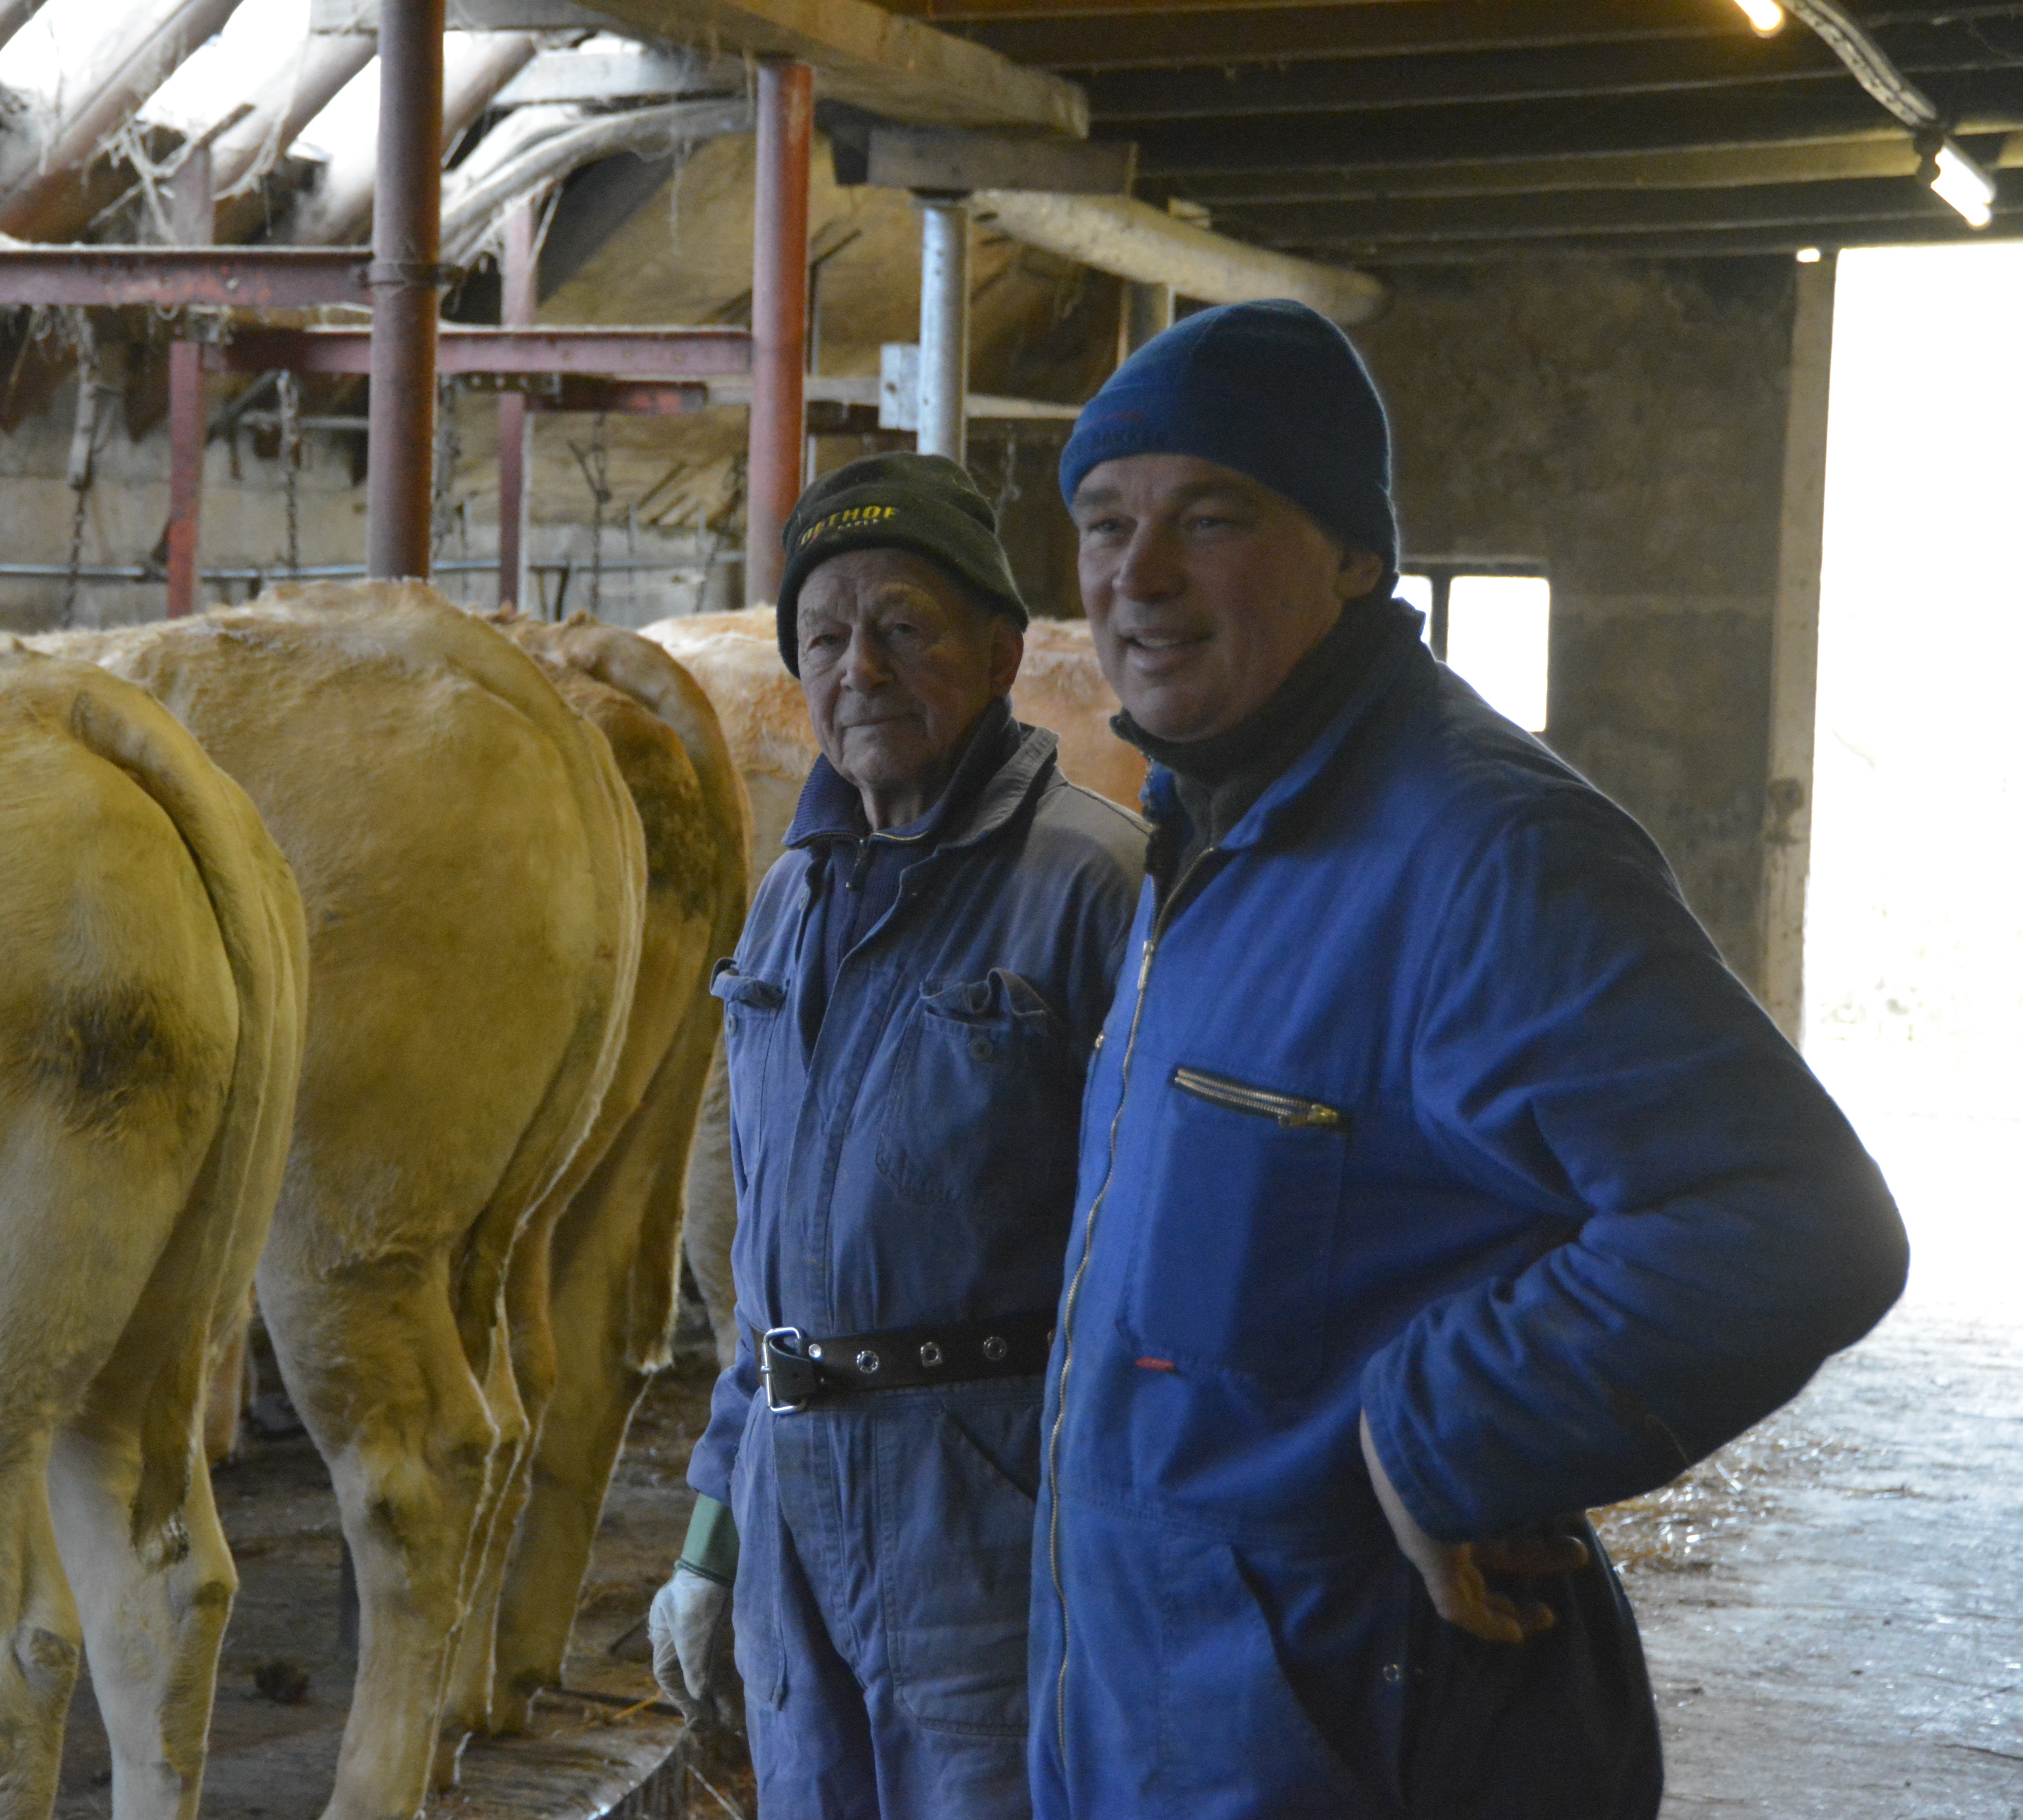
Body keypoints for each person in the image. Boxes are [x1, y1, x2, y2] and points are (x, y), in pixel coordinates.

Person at [1031, 298, 1910, 1818]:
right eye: (1105, 524)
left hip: (1368, 1739)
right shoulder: (1207, 840)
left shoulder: (1483, 853)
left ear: (1355, 553)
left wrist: (1447, 1430)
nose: (1139, 578)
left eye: (1212, 519)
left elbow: (1792, 1222)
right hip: (1181, 1722)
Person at [646, 451, 1148, 1820]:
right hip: (790, 1501)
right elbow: (766, 1268)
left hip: (985, 1503)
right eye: (823, 635)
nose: (857, 666)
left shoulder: (1097, 891)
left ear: (998, 654)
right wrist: (709, 1537)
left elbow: (1162, 1261)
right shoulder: (788, 902)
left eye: (902, 628)